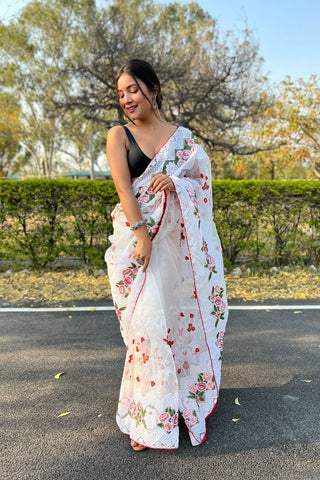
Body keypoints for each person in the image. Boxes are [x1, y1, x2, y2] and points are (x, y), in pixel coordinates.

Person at [105, 59, 228, 451]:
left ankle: (176, 398)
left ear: (153, 90)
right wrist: (141, 235)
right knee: (146, 324)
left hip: (177, 248)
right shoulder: (118, 136)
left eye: (134, 89)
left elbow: (201, 185)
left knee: (175, 320)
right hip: (139, 242)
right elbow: (126, 191)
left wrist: (175, 183)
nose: (126, 98)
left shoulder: (184, 139)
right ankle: (148, 414)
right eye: (121, 92)